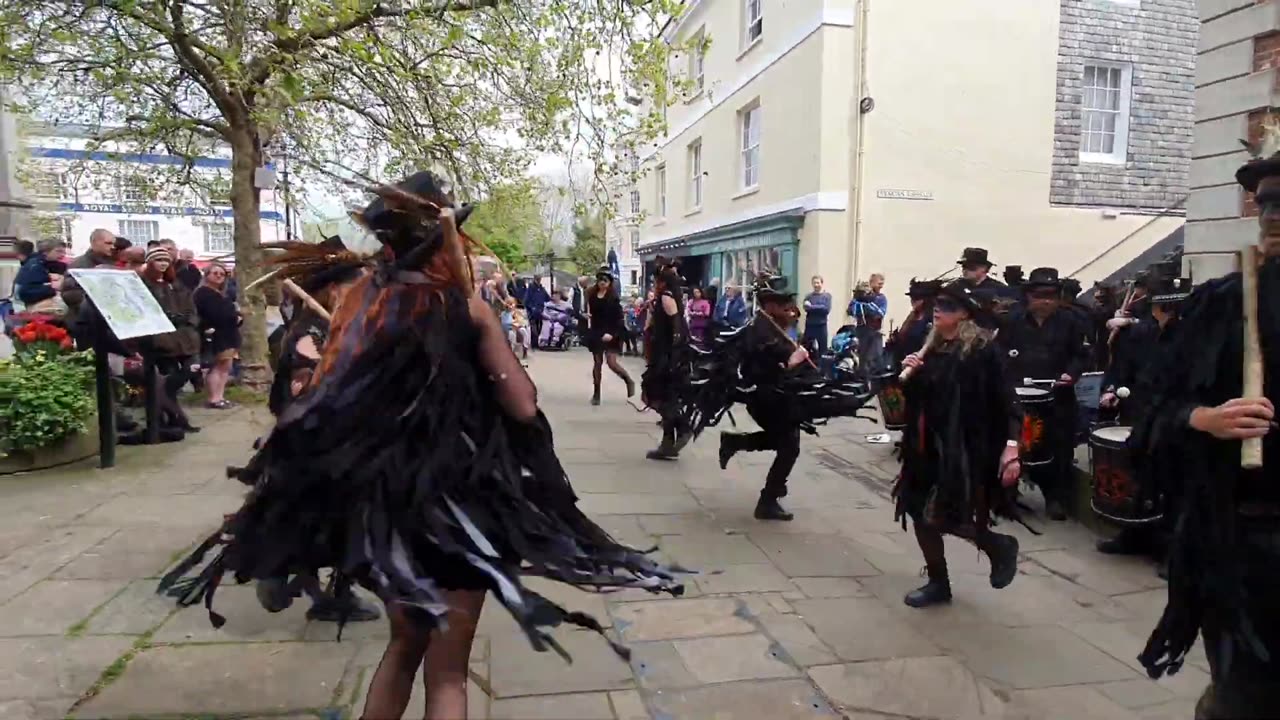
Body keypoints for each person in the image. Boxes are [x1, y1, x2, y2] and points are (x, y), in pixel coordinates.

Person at [159, 172, 683, 720]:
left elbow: (322, 405)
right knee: (449, 674)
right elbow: (524, 404)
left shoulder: (361, 307)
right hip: (459, 506)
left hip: (387, 515)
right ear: (442, 240)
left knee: (403, 648)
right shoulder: (467, 309)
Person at [1137, 138, 1279, 718]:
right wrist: (1203, 418)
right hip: (1245, 543)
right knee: (1244, 694)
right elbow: (1150, 407)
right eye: (1266, 203)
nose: (1273, 216)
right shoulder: (1221, 304)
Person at [894, 279, 1023, 607]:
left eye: (948, 306)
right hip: (925, 447)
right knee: (918, 511)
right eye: (938, 304)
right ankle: (940, 583)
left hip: (962, 451)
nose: (938, 309)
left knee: (944, 515)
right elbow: (923, 400)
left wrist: (1011, 447)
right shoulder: (933, 345)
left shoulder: (980, 352)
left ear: (965, 315)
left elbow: (1007, 402)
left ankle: (996, 545)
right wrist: (914, 374)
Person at [1095, 273, 1191, 571]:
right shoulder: (1140, 335)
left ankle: (1172, 550)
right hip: (1139, 410)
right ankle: (1133, 534)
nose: (1168, 315)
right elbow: (1121, 367)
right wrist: (1111, 390)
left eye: (1175, 309)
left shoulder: (1193, 338)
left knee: (1173, 483)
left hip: (1175, 416)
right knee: (1138, 476)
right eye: (1164, 309)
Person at [716, 275, 816, 521]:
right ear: (768, 305)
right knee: (789, 446)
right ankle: (768, 500)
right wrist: (791, 363)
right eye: (783, 304)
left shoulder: (773, 325)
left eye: (790, 302)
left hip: (778, 398)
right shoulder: (760, 330)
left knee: (784, 442)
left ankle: (735, 444)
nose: (790, 309)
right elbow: (760, 372)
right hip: (764, 399)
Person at [996, 267, 1088, 521]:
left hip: (1057, 394)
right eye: (1039, 295)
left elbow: (1082, 354)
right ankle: (1008, 495)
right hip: (1018, 396)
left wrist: (1071, 374)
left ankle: (1055, 497)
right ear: (1029, 296)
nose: (1045, 301)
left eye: (1051, 295)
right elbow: (998, 353)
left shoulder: (1071, 321)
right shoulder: (1012, 321)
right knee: (1013, 443)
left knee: (1058, 446)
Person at [134, 246, 201, 435]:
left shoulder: (176, 284)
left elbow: (192, 308)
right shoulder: (144, 285)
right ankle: (176, 419)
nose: (163, 264)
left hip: (185, 339)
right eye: (158, 260)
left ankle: (172, 417)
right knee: (166, 383)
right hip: (162, 341)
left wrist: (189, 321)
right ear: (150, 262)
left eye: (166, 260)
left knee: (187, 373)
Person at [642, 257, 692, 460]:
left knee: (656, 394)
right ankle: (668, 441)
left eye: (656, 281)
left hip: (666, 355)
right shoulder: (666, 297)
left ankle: (681, 428)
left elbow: (676, 328)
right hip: (665, 354)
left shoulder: (666, 297)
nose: (655, 284)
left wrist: (671, 355)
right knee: (663, 396)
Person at [193, 262, 241, 409]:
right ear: (207, 275)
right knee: (216, 366)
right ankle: (214, 398)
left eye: (222, 274)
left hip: (228, 333)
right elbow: (214, 314)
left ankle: (220, 396)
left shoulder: (220, 293)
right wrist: (234, 317)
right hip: (216, 334)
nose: (219, 276)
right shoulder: (203, 293)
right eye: (215, 273)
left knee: (226, 366)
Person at [585, 268, 635, 405]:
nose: (602, 283)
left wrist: (611, 334)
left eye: (605, 280)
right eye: (600, 280)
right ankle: (596, 394)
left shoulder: (613, 298)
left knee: (612, 363)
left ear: (610, 282)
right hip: (596, 331)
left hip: (611, 332)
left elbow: (619, 319)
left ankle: (628, 380)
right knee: (597, 363)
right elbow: (591, 313)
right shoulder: (592, 295)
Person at [886, 279, 940, 372]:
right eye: (911, 298)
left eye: (916, 299)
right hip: (904, 363)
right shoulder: (912, 317)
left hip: (920, 366)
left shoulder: (931, 320)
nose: (912, 301)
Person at [14, 238, 69, 317]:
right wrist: (52, 287)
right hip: (27, 311)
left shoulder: (45, 263)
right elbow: (25, 292)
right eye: (58, 251)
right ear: (46, 252)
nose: (62, 255)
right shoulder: (34, 266)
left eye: (64, 252)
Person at [848, 274, 888, 377]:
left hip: (875, 332)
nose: (881, 286)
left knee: (875, 358)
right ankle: (862, 381)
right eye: (879, 283)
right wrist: (860, 302)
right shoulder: (859, 296)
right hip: (862, 331)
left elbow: (880, 313)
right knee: (862, 358)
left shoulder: (881, 298)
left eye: (882, 284)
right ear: (871, 283)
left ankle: (873, 382)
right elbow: (850, 311)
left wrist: (868, 306)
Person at [802, 275, 832, 356]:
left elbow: (826, 309)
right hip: (810, 326)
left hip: (821, 326)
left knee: (823, 350)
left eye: (818, 283)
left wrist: (811, 307)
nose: (816, 285)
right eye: (814, 283)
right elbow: (805, 308)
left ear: (822, 284)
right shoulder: (808, 296)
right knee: (806, 348)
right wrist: (819, 307)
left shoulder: (826, 296)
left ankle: (821, 367)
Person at [523, 275, 550, 348]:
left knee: (539, 327)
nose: (539, 280)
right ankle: (534, 344)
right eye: (537, 279)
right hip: (532, 312)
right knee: (533, 328)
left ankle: (536, 342)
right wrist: (531, 308)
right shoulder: (531, 288)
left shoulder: (541, 289)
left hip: (540, 311)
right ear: (534, 279)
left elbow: (547, 298)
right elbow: (526, 301)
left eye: (539, 279)